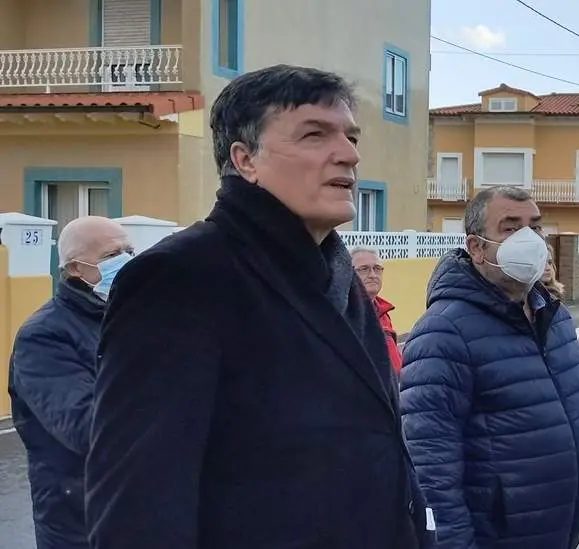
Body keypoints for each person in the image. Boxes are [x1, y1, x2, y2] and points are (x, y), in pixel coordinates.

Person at [85, 65, 435, 549]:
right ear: (245, 158)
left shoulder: (338, 275)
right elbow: (139, 496)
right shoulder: (181, 276)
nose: (350, 154)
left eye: (351, 137)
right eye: (315, 135)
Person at [400, 186, 579, 549]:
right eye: (510, 227)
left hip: (559, 529)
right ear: (476, 248)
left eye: (535, 227)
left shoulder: (553, 317)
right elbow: (432, 468)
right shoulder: (443, 331)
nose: (530, 238)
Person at [8, 216, 132, 549]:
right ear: (75, 268)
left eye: (129, 251)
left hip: (134, 505)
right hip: (78, 517)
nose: (126, 261)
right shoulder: (45, 336)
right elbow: (83, 426)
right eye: (111, 255)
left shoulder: (128, 319)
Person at [351, 245, 402, 373]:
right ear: (348, 273)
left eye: (377, 268)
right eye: (364, 269)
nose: (373, 275)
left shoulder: (383, 312)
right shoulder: (346, 313)